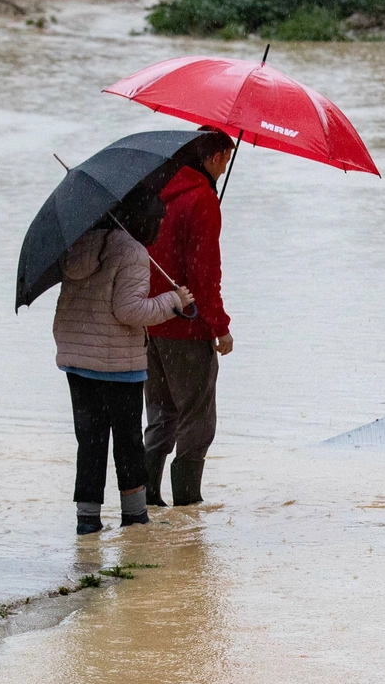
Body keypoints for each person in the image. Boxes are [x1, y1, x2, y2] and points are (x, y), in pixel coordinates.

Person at [53, 188, 194, 535]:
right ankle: (133, 518)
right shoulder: (133, 252)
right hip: (118, 364)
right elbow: (129, 311)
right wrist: (172, 301)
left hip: (77, 360)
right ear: (142, 220)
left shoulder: (78, 243)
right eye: (157, 220)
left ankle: (87, 520)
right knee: (128, 439)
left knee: (90, 440)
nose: (160, 227)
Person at [144, 129, 236, 507]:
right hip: (188, 327)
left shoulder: (159, 192)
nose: (227, 165)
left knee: (162, 413)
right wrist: (220, 326)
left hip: (152, 323)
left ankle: (145, 497)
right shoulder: (201, 201)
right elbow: (203, 274)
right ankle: (188, 502)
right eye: (225, 159)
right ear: (214, 158)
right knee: (197, 419)